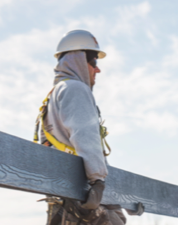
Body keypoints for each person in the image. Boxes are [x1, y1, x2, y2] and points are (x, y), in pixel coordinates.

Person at [34, 30, 128, 225]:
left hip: (64, 199)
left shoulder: (54, 95)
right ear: (77, 60)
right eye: (93, 62)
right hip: (83, 199)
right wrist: (97, 180)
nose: (97, 69)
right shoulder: (75, 89)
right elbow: (85, 134)